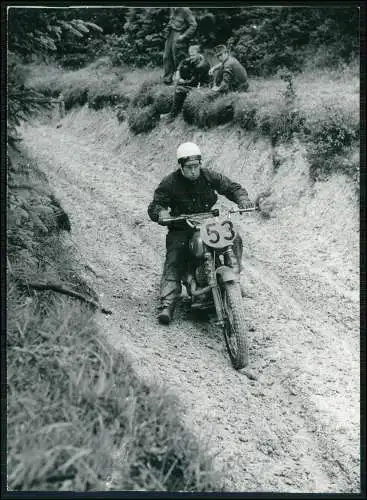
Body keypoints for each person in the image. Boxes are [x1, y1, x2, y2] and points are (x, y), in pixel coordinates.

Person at [147, 142, 254, 325]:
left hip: (207, 222)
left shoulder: (208, 176)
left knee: (233, 238)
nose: (194, 171)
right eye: (190, 167)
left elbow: (231, 187)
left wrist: (242, 199)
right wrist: (162, 213)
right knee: (175, 256)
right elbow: (156, 205)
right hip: (181, 226)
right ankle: (167, 303)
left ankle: (234, 280)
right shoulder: (170, 182)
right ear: (181, 166)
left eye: (197, 166)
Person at [164, 45, 210, 123]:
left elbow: (193, 82)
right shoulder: (194, 59)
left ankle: (173, 115)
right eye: (190, 55)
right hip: (195, 82)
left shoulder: (202, 65)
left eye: (193, 55)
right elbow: (182, 62)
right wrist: (178, 72)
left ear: (199, 54)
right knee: (184, 69)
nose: (191, 57)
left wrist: (181, 82)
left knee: (179, 89)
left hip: (202, 87)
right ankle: (175, 109)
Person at [163, 7, 197, 85]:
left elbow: (194, 25)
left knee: (178, 57)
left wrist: (184, 35)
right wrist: (167, 30)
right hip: (170, 33)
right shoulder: (172, 8)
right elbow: (172, 20)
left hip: (179, 34)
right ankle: (167, 80)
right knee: (166, 56)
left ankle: (183, 79)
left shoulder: (185, 10)